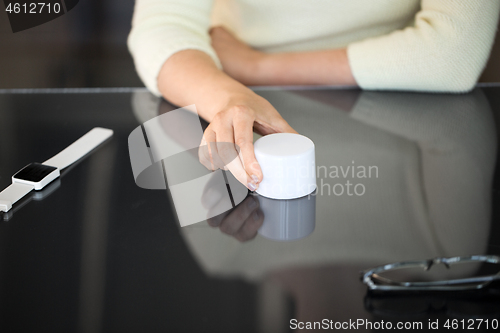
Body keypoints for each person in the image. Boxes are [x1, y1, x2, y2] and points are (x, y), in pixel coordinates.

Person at [128, 0, 500, 191]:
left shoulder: (441, 275)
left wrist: (257, 67)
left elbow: (454, 54)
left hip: (415, 102)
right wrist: (228, 97)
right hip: (227, 87)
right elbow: (161, 29)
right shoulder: (224, 256)